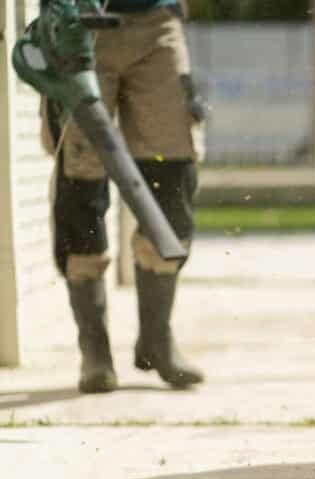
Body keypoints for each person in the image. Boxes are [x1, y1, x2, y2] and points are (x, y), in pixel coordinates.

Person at [43, 0, 205, 393]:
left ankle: (156, 339)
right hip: (79, 23)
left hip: (155, 23)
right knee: (81, 182)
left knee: (174, 172)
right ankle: (95, 352)